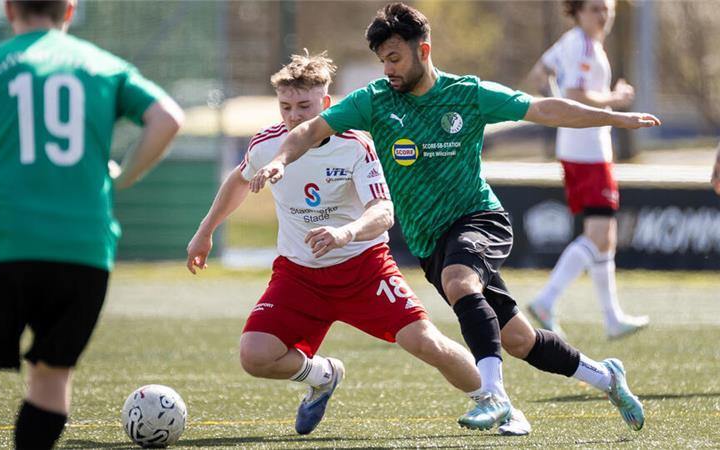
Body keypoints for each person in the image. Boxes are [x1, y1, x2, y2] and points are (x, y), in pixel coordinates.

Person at [251, 2, 659, 433]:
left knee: (460, 280)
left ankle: (495, 397)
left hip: (479, 218)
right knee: (519, 340)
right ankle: (607, 376)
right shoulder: (374, 101)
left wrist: (614, 117)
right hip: (432, 243)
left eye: (394, 58)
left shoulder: (467, 94)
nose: (387, 68)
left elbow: (546, 109)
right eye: (382, 60)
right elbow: (310, 130)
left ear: (422, 50)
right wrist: (279, 160)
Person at [186, 51, 532, 436]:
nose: (295, 116)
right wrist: (205, 231)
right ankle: (323, 375)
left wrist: (344, 233)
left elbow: (384, 211)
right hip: (299, 275)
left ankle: (499, 403)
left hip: (364, 270)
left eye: (304, 106)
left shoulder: (355, 145)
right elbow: (238, 180)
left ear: (327, 104)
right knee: (255, 356)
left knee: (426, 343)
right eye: (286, 106)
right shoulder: (268, 145)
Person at [0, 1, 183, 448]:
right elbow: (168, 119)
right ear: (69, 10)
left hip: (3, 248)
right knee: (51, 379)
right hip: (85, 254)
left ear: (8, 9)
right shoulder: (105, 66)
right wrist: (124, 173)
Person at [525, 0, 649, 339]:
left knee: (604, 238)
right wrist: (615, 99)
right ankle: (546, 300)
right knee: (599, 234)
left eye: (606, 8)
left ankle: (612, 317)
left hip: (579, 148)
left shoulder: (572, 42)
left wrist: (557, 115)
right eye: (595, 8)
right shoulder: (580, 44)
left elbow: (539, 74)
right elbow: (576, 92)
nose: (603, 15)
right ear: (578, 12)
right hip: (588, 151)